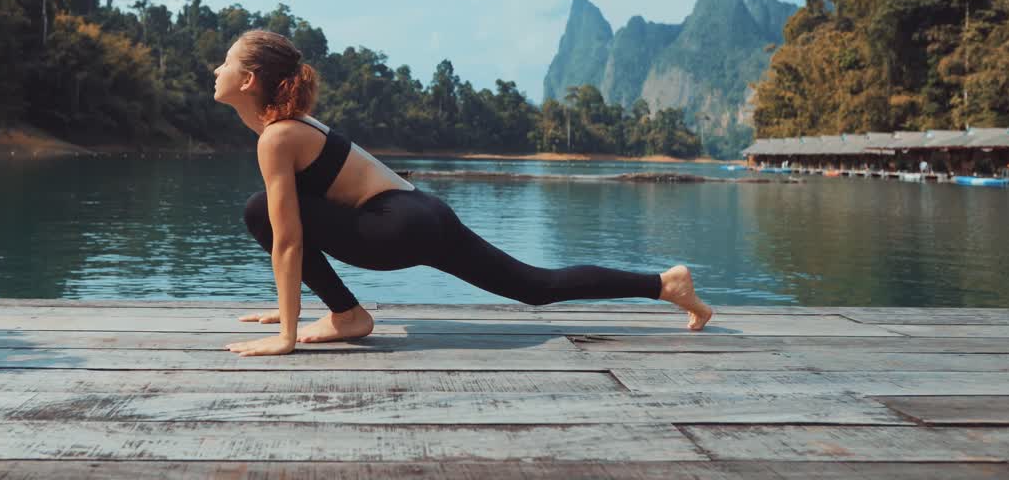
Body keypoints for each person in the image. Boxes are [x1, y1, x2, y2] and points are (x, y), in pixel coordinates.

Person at [214, 30, 713, 357]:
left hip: (395, 223)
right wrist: (292, 305)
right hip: (421, 213)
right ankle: (665, 284)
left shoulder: (278, 137)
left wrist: (287, 336)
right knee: (535, 287)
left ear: (249, 79)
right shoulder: (290, 128)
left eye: (226, 62)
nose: (217, 69)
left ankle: (348, 316)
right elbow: (305, 228)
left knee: (262, 212)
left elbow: (288, 241)